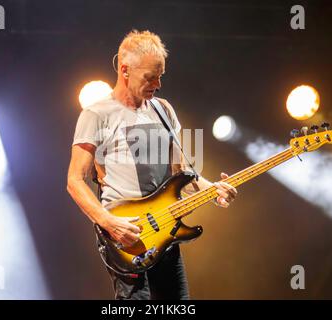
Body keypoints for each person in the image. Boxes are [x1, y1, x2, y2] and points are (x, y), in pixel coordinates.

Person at [67, 30, 237, 300]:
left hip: (166, 231)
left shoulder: (164, 110)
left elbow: (182, 173)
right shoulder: (96, 114)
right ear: (125, 70)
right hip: (126, 236)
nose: (157, 84)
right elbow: (74, 180)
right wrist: (109, 222)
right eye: (150, 77)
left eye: (161, 76)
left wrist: (212, 189)